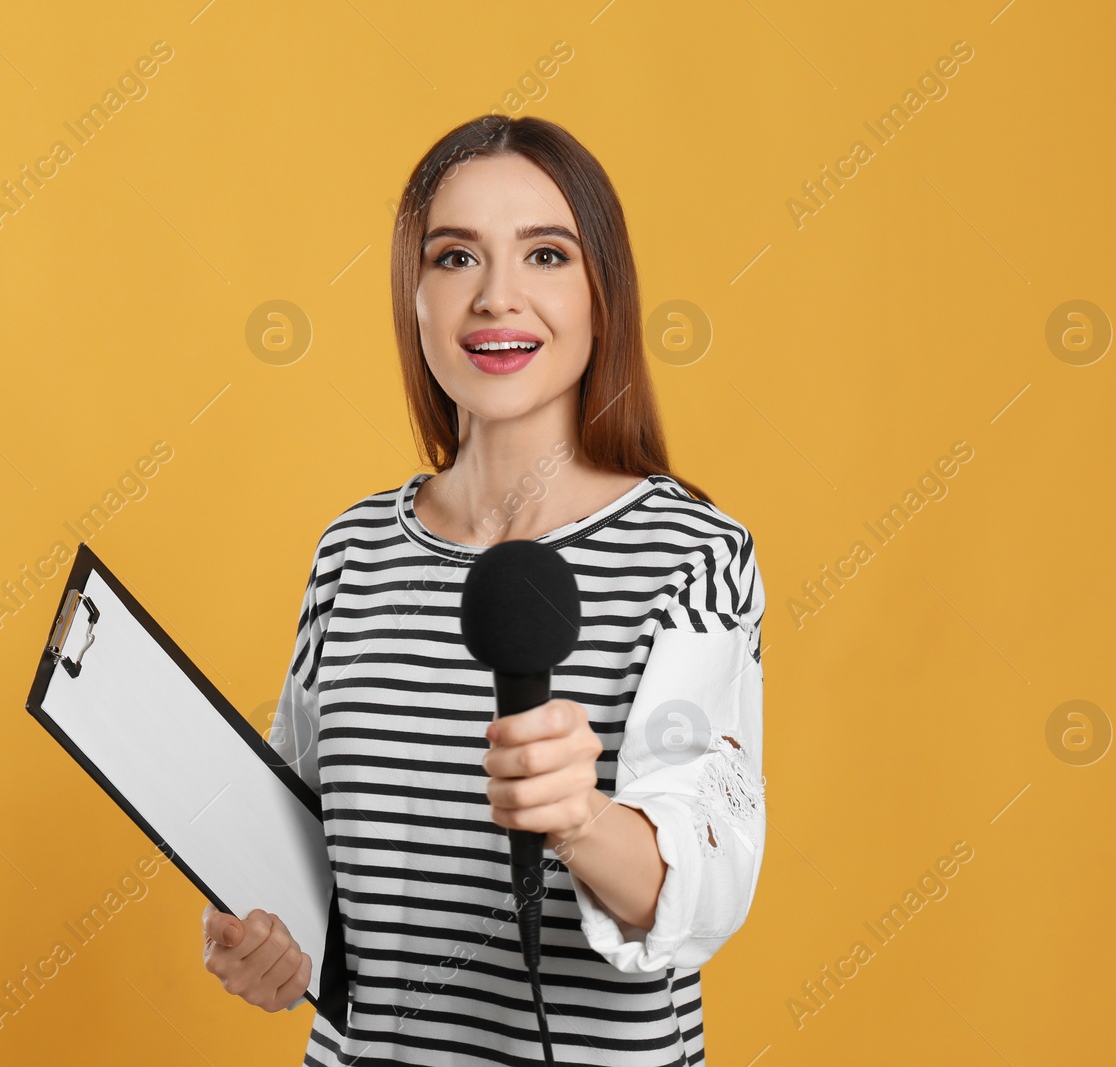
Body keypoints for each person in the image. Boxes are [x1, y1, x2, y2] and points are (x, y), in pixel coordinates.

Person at [202, 114, 766, 1066]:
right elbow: (290, 835)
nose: (498, 298)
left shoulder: (694, 554)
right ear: (413, 299)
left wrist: (580, 816)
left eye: (546, 254)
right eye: (456, 257)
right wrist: (256, 935)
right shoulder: (351, 552)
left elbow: (708, 876)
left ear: (603, 295)